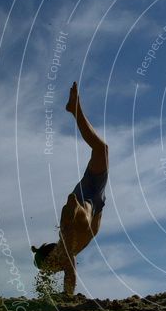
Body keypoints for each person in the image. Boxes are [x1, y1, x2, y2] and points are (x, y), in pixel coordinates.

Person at [31, 82, 108, 295]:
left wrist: (72, 209)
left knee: (101, 150)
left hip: (86, 199)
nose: (52, 272)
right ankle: (75, 111)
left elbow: (70, 200)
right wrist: (67, 297)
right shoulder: (68, 253)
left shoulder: (66, 242)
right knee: (102, 149)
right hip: (95, 201)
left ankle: (75, 111)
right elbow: (70, 275)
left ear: (50, 261)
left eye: (49, 269)